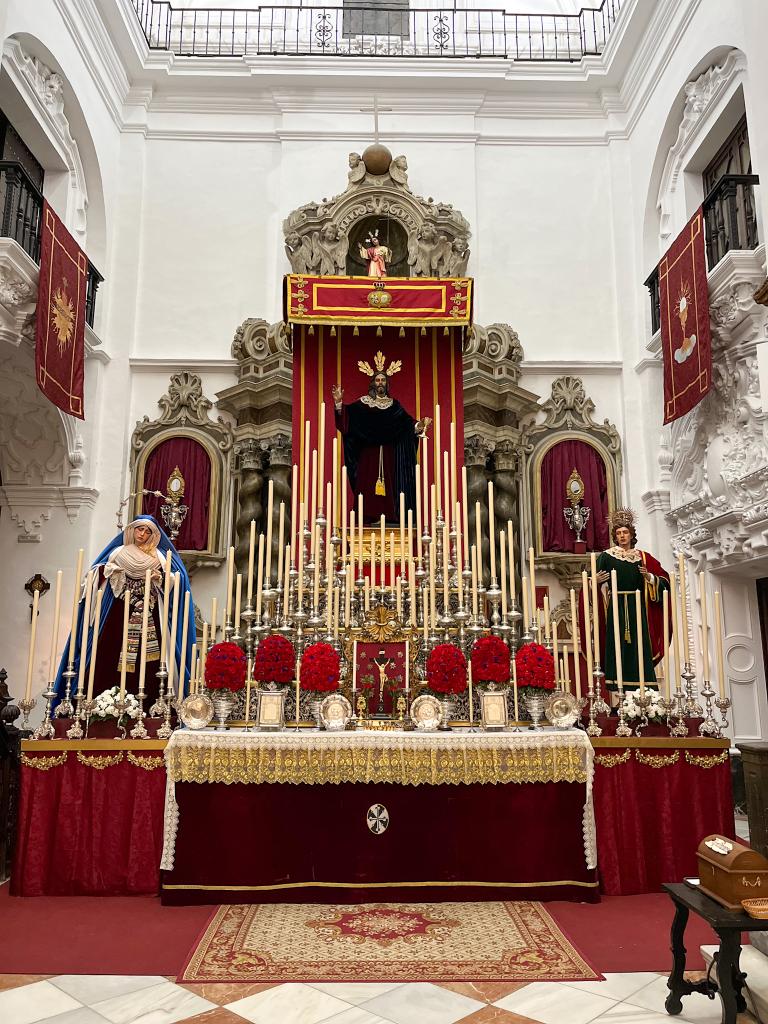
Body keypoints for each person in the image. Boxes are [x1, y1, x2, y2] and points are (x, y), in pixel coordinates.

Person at [54, 515, 195, 708]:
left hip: (151, 611)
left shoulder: (160, 557)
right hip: (118, 611)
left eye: (147, 531)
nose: (142, 534)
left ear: (153, 535)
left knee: (152, 661)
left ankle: (153, 706)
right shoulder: (119, 552)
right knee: (108, 652)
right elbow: (96, 573)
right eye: (139, 529)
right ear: (132, 530)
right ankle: (101, 705)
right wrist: (109, 571)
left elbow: (177, 580)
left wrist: (161, 578)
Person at [333, 351, 431, 522]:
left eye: (383, 380)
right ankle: (367, 516)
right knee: (366, 483)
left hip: (388, 455)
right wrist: (338, 403)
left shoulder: (394, 406)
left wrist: (419, 425)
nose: (380, 383)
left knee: (391, 484)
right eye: (378, 380)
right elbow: (347, 420)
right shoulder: (363, 404)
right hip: (368, 455)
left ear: (387, 384)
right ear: (373, 383)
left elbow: (407, 424)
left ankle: (390, 516)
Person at [594, 508, 671, 693]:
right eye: (618, 533)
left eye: (625, 532)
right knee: (617, 642)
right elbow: (590, 581)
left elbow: (665, 581)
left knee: (639, 643)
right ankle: (617, 683)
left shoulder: (643, 557)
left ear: (631, 534)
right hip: (616, 606)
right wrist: (594, 582)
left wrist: (649, 577)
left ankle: (643, 686)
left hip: (638, 607)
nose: (622, 536)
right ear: (615, 536)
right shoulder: (606, 556)